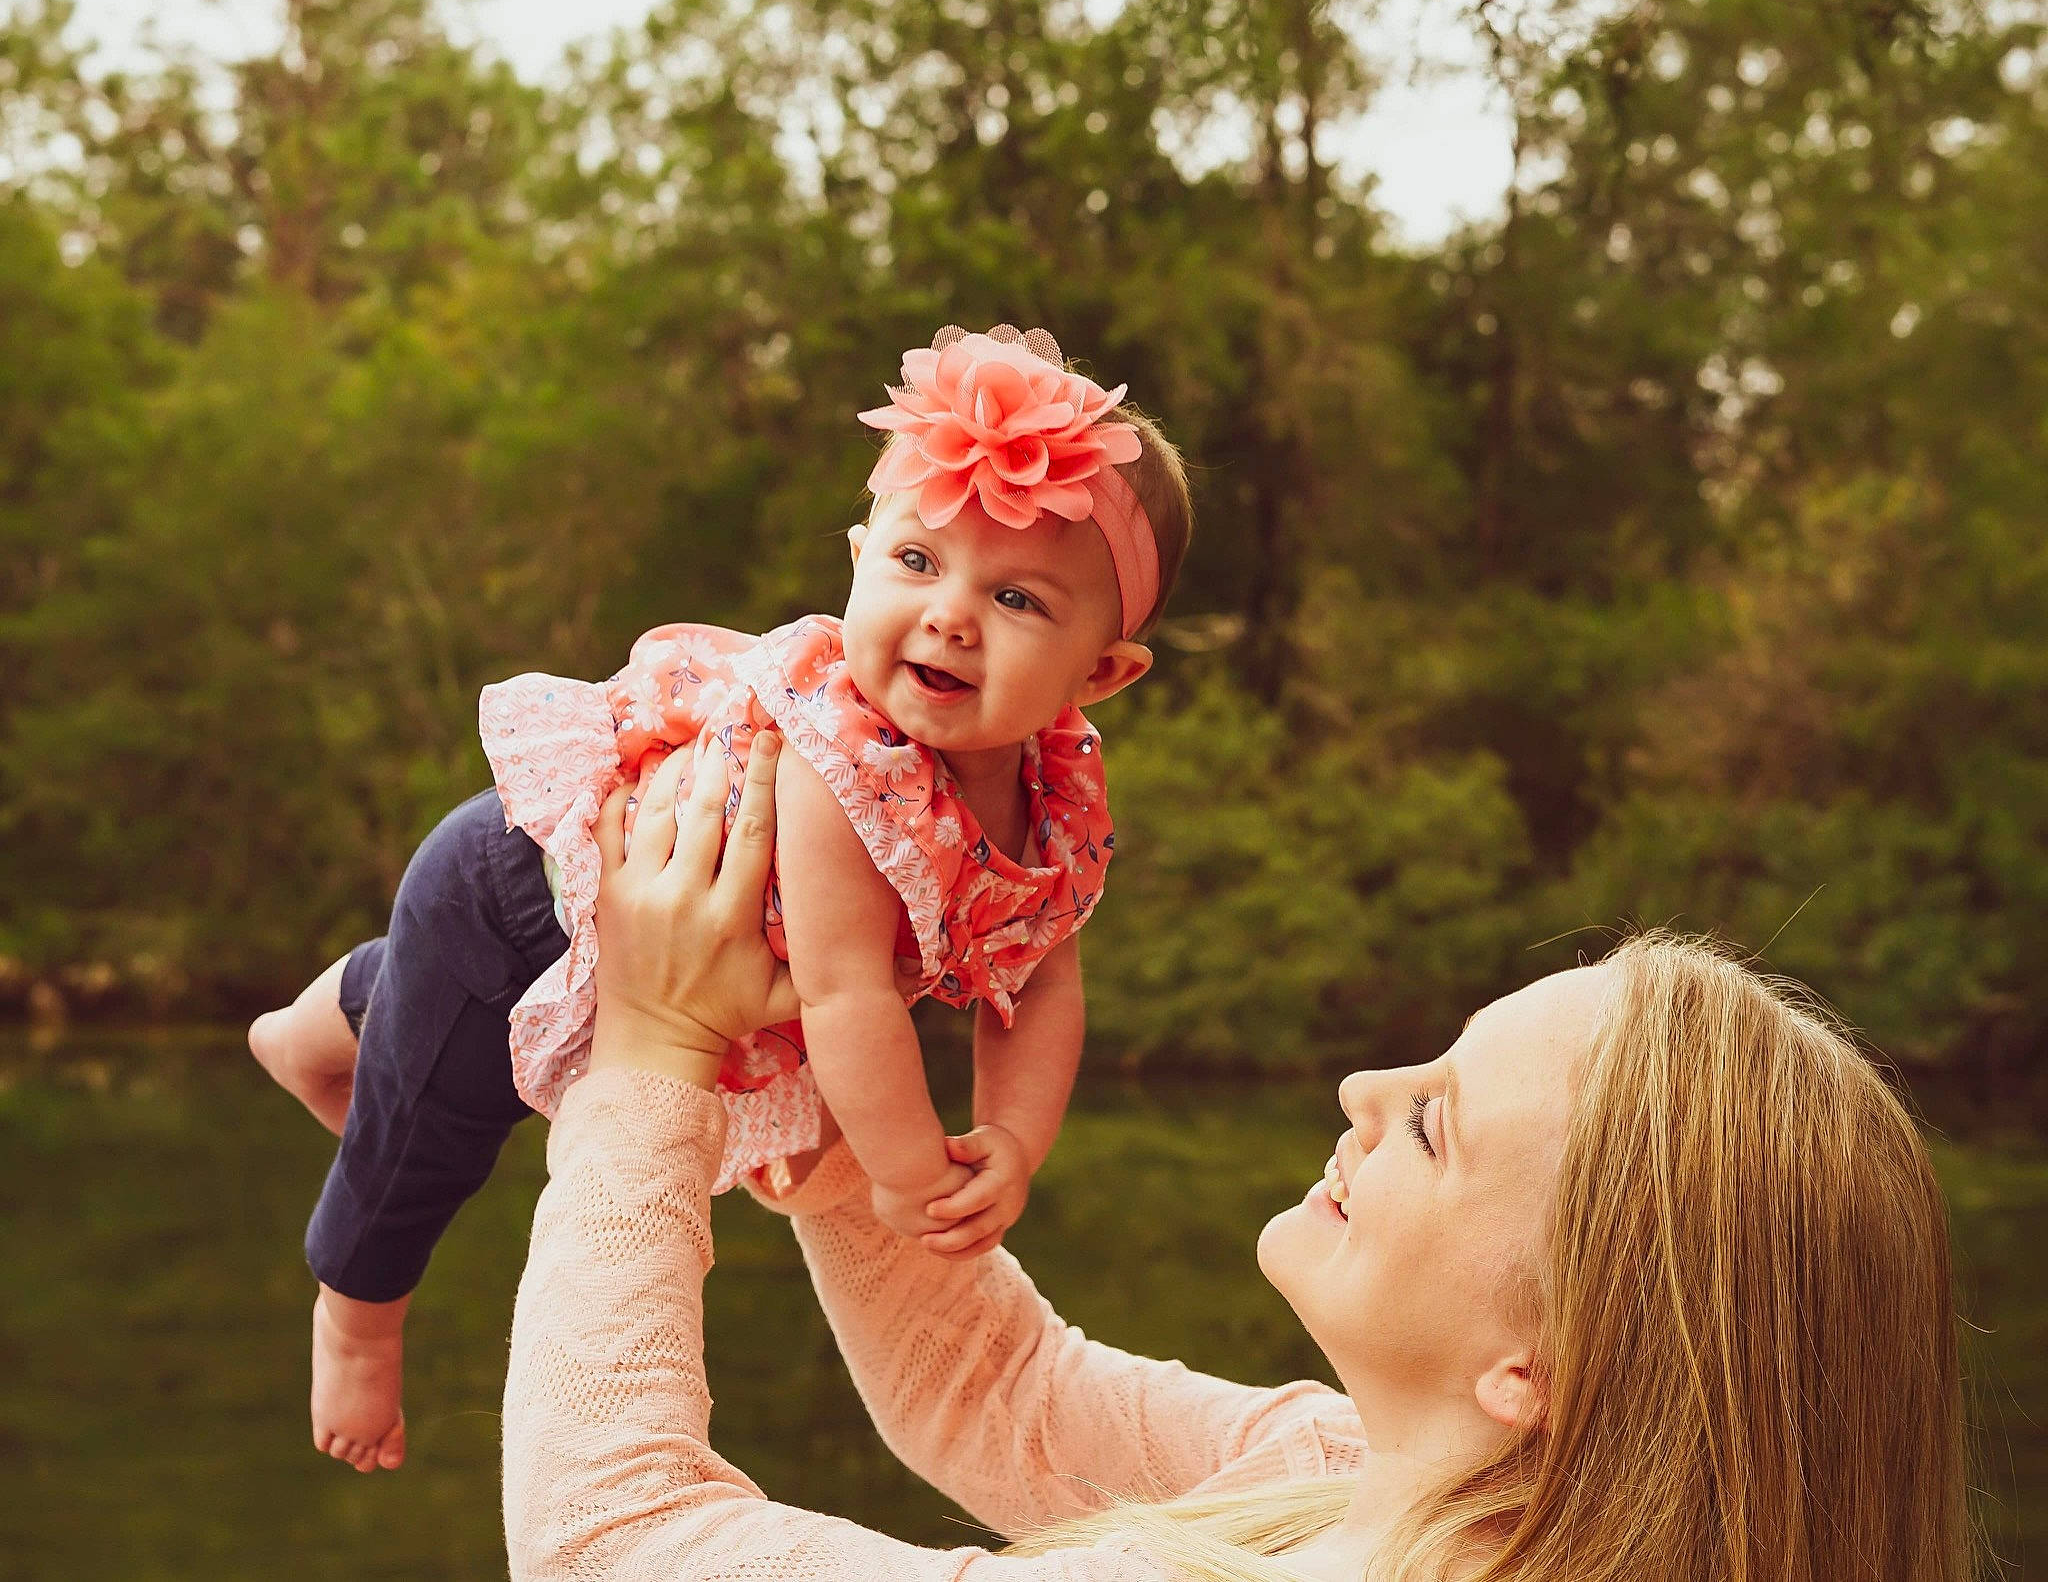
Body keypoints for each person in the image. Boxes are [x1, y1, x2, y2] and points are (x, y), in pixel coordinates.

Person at [499, 733, 1972, 1582]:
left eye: (1437, 1122)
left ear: (1545, 1364)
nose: (1361, 1086)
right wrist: (844, 1160)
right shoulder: (1369, 1476)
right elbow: (1007, 1397)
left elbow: (611, 1539)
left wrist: (650, 1059)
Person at [247, 323, 1194, 1473]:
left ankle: (324, 1018)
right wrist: (907, 1177)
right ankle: (356, 1312)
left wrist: (1011, 1136)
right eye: (915, 562)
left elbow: (1042, 972)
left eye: (1018, 600)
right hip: (523, 894)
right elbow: (846, 998)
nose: (949, 614)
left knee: (423, 1025)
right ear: (855, 557)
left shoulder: (1058, 800)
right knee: (433, 1129)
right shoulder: (842, 762)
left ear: (1101, 672)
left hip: (627, 927)